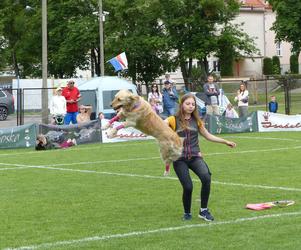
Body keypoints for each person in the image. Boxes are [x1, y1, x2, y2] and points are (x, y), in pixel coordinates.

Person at [165, 93, 236, 221]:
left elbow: (208, 135)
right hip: (179, 159)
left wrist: (225, 141)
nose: (191, 106)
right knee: (188, 187)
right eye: (188, 104)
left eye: (193, 104)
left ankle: (203, 210)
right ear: (181, 105)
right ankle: (187, 212)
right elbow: (159, 127)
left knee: (206, 177)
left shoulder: (197, 121)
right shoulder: (172, 119)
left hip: (195, 156)